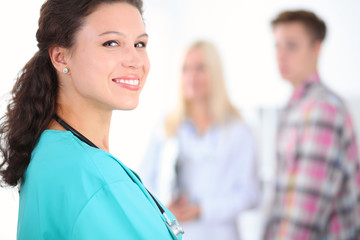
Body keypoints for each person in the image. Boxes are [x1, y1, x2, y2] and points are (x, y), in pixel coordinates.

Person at [0, 0, 184, 239]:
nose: (136, 60)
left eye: (140, 43)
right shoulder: (91, 176)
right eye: (111, 43)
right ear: (60, 57)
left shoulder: (51, 150)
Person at [140, 40, 260, 240]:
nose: (191, 77)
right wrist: (162, 207)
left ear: (216, 73)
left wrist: (202, 209)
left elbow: (250, 194)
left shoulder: (239, 130)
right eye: (185, 69)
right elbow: (145, 181)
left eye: (200, 68)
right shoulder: (166, 127)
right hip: (174, 232)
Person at [264, 10, 360, 239]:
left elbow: (304, 213)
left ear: (316, 49)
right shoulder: (297, 106)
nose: (281, 55)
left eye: (292, 46)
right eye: (277, 46)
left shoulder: (322, 109)